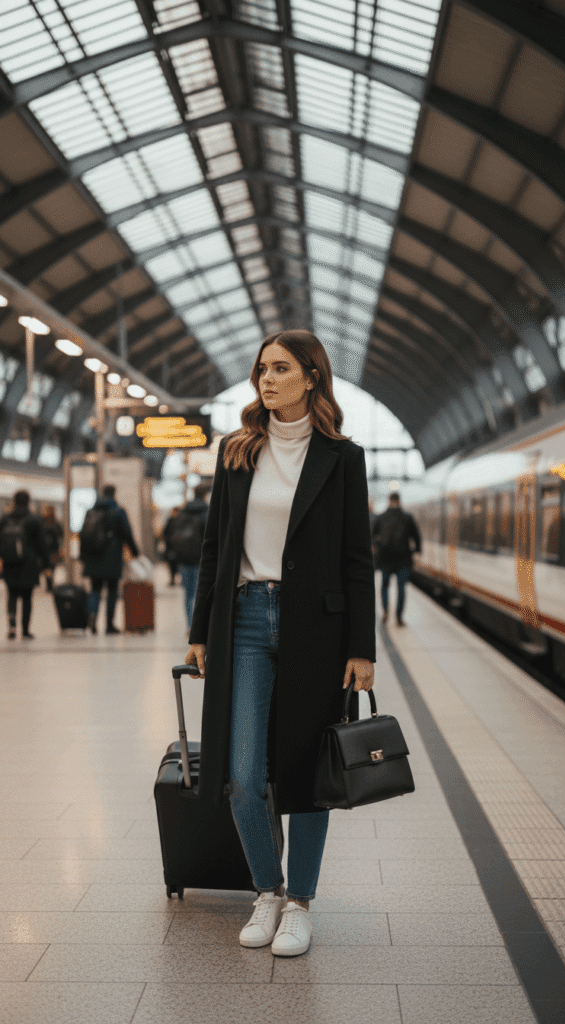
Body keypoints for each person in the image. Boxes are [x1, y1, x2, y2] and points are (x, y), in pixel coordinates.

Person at [184, 329, 376, 958]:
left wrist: (361, 647)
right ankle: (266, 889)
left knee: (307, 773)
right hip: (242, 621)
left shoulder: (341, 458)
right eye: (261, 369)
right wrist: (199, 633)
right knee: (242, 776)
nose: (266, 379)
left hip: (314, 632)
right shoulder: (237, 451)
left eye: (281, 368)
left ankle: (300, 903)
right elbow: (215, 548)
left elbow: (357, 559)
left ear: (311, 378)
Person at [80, 484, 139, 635]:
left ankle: (92, 617)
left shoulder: (91, 511)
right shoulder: (118, 511)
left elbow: (83, 535)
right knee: (112, 591)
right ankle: (109, 624)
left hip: (93, 557)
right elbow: (127, 533)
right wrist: (135, 552)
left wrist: (83, 557)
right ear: (114, 493)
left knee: (95, 589)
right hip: (112, 556)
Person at [0, 489, 51, 640]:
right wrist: (47, 565)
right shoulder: (34, 520)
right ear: (28, 502)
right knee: (27, 597)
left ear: (14, 501)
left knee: (12, 595)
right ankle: (26, 629)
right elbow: (41, 545)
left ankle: (12, 625)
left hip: (9, 563)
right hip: (29, 563)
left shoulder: (5, 519)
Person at [372, 491, 421, 627]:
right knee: (401, 588)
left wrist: (376, 547)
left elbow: (373, 534)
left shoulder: (381, 517)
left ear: (389, 501)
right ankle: (399, 617)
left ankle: (386, 611)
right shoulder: (407, 517)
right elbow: (416, 537)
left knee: (385, 586)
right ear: (399, 501)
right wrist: (416, 551)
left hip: (386, 559)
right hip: (403, 560)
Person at [171, 485, 209, 630]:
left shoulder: (182, 512)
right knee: (201, 592)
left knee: (188, 593)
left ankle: (190, 625)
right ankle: (200, 625)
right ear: (205, 494)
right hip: (202, 560)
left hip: (184, 558)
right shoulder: (207, 512)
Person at [41, 504, 64, 592]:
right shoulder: (56, 523)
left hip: (46, 549)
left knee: (47, 567)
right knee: (52, 567)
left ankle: (49, 583)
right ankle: (50, 583)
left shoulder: (43, 522)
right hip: (54, 549)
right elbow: (61, 535)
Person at [163, 507, 180, 585]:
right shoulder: (181, 520)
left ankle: (173, 580)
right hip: (178, 547)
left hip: (171, 547)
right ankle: (178, 580)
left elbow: (164, 533)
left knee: (172, 564)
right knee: (178, 564)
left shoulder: (170, 520)